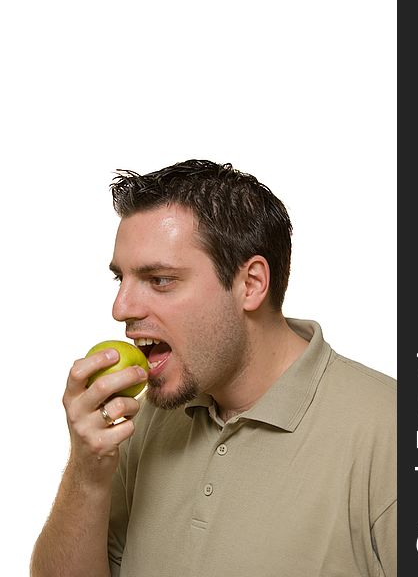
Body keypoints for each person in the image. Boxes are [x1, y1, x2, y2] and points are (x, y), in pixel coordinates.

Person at [30, 159, 396, 577]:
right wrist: (87, 470)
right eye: (122, 279)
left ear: (251, 284)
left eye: (160, 279)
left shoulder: (395, 432)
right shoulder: (144, 418)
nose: (121, 309)